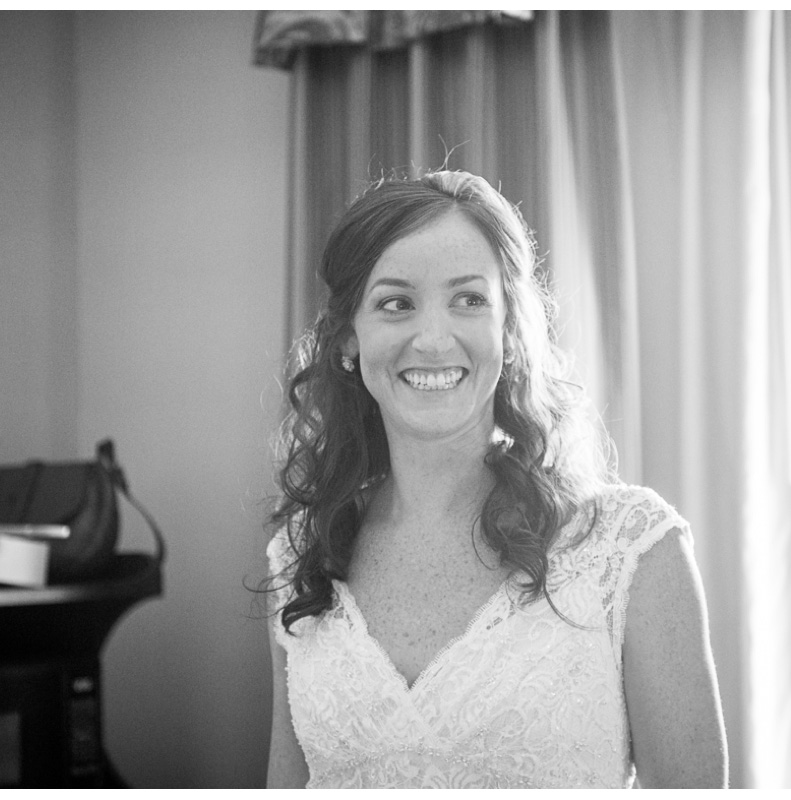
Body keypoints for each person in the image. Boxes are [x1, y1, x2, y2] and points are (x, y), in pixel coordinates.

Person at [263, 170, 727, 789]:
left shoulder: (633, 549)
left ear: (508, 332)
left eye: (469, 299)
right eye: (396, 303)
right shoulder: (299, 556)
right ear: (349, 337)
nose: (433, 339)